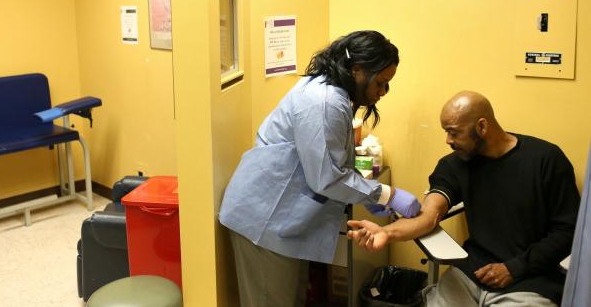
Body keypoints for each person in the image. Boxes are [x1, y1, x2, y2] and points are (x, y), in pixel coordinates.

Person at [219, 30, 422, 307]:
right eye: (381, 82)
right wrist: (385, 194)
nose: (383, 92)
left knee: (292, 298)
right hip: (263, 220)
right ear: (357, 69)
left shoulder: (333, 93)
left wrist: (365, 195)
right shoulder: (324, 101)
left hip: (281, 219)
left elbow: (329, 161)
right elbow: (326, 178)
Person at [347, 91, 580, 307]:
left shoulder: (546, 160)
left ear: (482, 126)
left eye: (454, 132)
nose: (448, 140)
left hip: (530, 281)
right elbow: (428, 217)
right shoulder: (455, 164)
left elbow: (568, 231)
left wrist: (514, 268)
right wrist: (385, 233)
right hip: (471, 275)